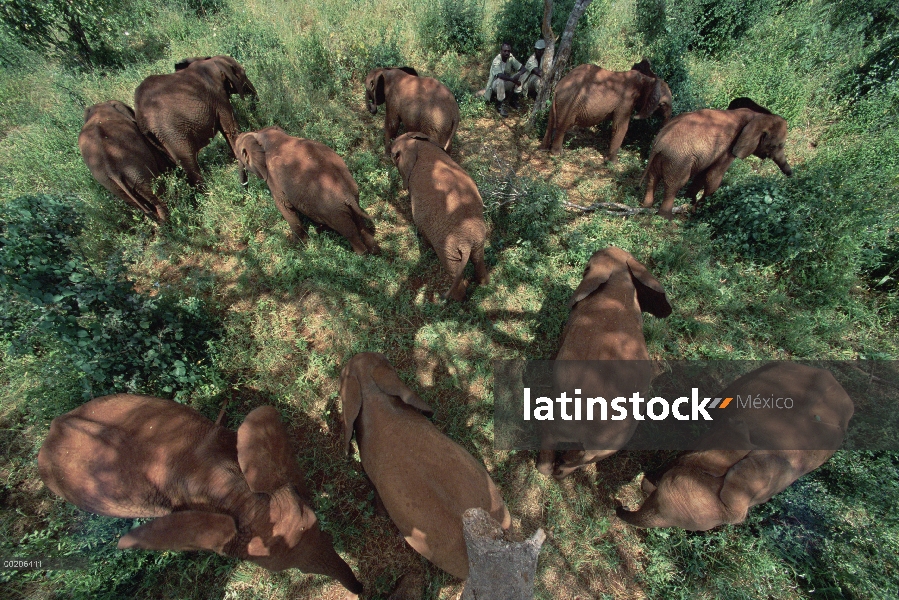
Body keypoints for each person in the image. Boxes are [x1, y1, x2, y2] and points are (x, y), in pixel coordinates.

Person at [484, 42, 523, 117]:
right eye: (504, 51)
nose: (507, 53)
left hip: (506, 83)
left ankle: (513, 100)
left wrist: (518, 74)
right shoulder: (497, 60)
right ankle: (499, 105)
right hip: (495, 85)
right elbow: (500, 75)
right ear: (501, 51)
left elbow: (523, 68)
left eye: (508, 51)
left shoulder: (511, 58)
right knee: (500, 80)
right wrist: (512, 80)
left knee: (520, 76)